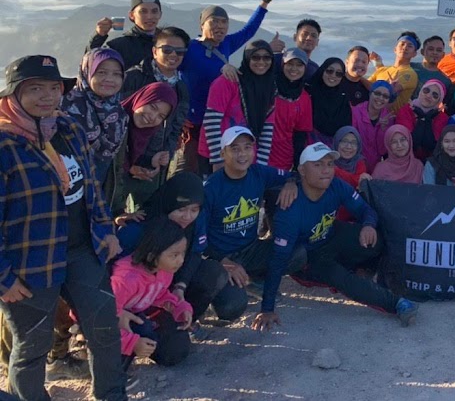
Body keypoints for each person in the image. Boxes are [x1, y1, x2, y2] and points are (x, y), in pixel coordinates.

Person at [0, 55, 126, 401]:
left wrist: (106, 229)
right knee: (32, 345)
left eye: (54, 88)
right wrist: (3, 278)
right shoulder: (5, 144)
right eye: (34, 89)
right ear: (13, 94)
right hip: (29, 263)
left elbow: (91, 185)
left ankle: (112, 395)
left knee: (104, 328)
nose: (47, 96)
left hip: (82, 249)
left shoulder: (67, 128)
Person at [253, 143, 418, 331]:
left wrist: (368, 225)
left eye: (330, 164)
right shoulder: (289, 210)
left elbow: (365, 210)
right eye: (318, 165)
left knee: (375, 240)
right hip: (309, 256)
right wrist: (267, 308)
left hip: (329, 235)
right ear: (302, 171)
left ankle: (359, 267)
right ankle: (397, 303)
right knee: (341, 278)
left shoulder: (335, 184)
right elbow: (278, 260)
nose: (326, 170)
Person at [195, 127, 299, 322]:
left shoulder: (258, 172)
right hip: (221, 257)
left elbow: (292, 175)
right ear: (222, 154)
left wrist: (291, 182)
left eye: (247, 147)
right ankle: (209, 299)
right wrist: (221, 261)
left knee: (298, 252)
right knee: (231, 308)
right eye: (234, 148)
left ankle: (255, 280)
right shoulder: (211, 188)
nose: (242, 154)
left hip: (250, 249)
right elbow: (198, 237)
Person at [179, 0, 273, 175]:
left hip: (218, 124)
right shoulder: (189, 48)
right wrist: (177, 113)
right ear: (202, 25)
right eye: (214, 21)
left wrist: (264, 4)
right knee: (187, 173)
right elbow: (168, 70)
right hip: (193, 123)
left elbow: (249, 31)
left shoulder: (226, 44)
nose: (220, 26)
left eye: (224, 22)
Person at [116, 172, 226, 323]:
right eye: (181, 209)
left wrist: (180, 286)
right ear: (169, 203)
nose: (187, 216)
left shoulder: (197, 220)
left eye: (194, 210)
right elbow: (116, 271)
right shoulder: (138, 228)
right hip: (136, 290)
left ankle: (186, 318)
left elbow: (196, 252)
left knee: (213, 273)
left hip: (169, 282)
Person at [111, 217, 193, 369]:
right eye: (174, 255)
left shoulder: (163, 270)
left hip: (136, 313)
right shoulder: (125, 280)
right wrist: (131, 342)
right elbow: (101, 317)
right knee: (141, 331)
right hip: (110, 322)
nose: (181, 260)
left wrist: (178, 307)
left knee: (175, 350)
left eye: (183, 253)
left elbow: (157, 294)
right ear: (151, 255)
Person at [121, 26, 191, 178]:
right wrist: (130, 162)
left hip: (155, 166)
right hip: (123, 162)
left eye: (179, 51)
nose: (173, 55)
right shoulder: (133, 78)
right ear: (154, 51)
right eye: (167, 50)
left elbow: (175, 130)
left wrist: (163, 158)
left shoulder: (181, 89)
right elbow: (117, 117)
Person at [200, 40, 277, 170]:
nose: (261, 62)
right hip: (215, 155)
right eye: (255, 57)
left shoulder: (270, 89)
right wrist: (219, 159)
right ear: (247, 58)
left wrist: (260, 167)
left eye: (266, 58)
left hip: (245, 159)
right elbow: (211, 122)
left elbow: (267, 131)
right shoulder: (228, 81)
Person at [106, 82, 178, 214]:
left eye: (161, 116)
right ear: (142, 98)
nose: (152, 117)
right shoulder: (111, 123)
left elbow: (130, 157)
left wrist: (151, 161)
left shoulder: (149, 131)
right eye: (152, 107)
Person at [61, 47, 128, 183]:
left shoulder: (120, 113)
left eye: (116, 74)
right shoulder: (65, 104)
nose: (109, 79)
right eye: (101, 72)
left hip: (99, 187)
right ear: (87, 72)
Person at [89, 0, 162, 69]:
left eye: (154, 11)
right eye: (143, 11)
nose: (149, 16)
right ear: (132, 15)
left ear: (160, 14)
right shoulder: (119, 46)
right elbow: (90, 64)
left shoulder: (169, 43)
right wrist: (98, 37)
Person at [271, 47, 314, 170]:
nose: (294, 68)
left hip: (284, 158)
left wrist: (296, 166)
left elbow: (300, 135)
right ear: (283, 65)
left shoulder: (304, 98)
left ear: (305, 68)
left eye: (299, 65)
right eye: (290, 64)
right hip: (259, 153)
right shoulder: (268, 86)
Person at [395, 79, 449, 161]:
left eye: (435, 95)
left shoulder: (442, 118)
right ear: (420, 91)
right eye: (426, 91)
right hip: (404, 158)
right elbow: (410, 143)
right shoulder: (406, 110)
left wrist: (427, 120)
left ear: (439, 100)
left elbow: (430, 146)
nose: (429, 96)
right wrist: (422, 119)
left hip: (430, 161)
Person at [369, 32, 420, 113]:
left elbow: (387, 92)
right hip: (371, 112)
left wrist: (358, 75)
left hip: (391, 117)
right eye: (402, 44)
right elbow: (367, 85)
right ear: (395, 49)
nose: (405, 47)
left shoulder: (410, 73)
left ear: (414, 54)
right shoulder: (383, 69)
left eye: (410, 46)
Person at [306, 58, 353, 146]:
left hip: (336, 147)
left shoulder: (344, 98)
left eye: (339, 73)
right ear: (322, 71)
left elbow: (346, 128)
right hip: (309, 145)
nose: (333, 75)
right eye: (329, 71)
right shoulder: (309, 93)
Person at [351, 80, 394, 173]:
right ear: (370, 93)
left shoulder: (388, 118)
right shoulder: (355, 112)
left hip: (374, 168)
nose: (381, 98)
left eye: (385, 96)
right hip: (354, 165)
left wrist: (383, 130)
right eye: (377, 93)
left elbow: (382, 151)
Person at [332, 126, 371, 191]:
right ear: (337, 142)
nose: (349, 147)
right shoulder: (328, 159)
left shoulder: (359, 162)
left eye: (353, 143)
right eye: (344, 141)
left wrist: (335, 171)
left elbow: (358, 181)